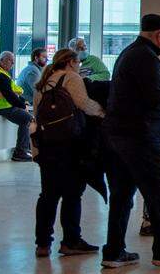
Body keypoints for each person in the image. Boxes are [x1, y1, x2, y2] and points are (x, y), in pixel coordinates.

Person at [102, 13, 160, 268]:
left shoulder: (128, 54)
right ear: (159, 35)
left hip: (118, 136)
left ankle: (113, 252)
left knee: (121, 195)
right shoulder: (146, 58)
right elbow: (155, 99)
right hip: (142, 137)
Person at [32, 47, 105, 258]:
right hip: (70, 145)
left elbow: (37, 116)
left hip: (47, 145)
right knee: (72, 193)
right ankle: (71, 241)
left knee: (48, 195)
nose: (80, 65)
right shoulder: (72, 78)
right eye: (78, 62)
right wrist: (103, 112)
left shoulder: (44, 81)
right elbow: (83, 104)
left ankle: (43, 244)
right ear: (72, 62)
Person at [0, 51, 32, 161]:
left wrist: (22, 102)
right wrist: (23, 107)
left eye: (13, 62)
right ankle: (20, 152)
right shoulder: (1, 75)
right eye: (10, 61)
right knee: (27, 118)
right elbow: (9, 95)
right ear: (2, 60)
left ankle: (26, 149)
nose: (12, 64)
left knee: (25, 116)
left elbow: (11, 92)